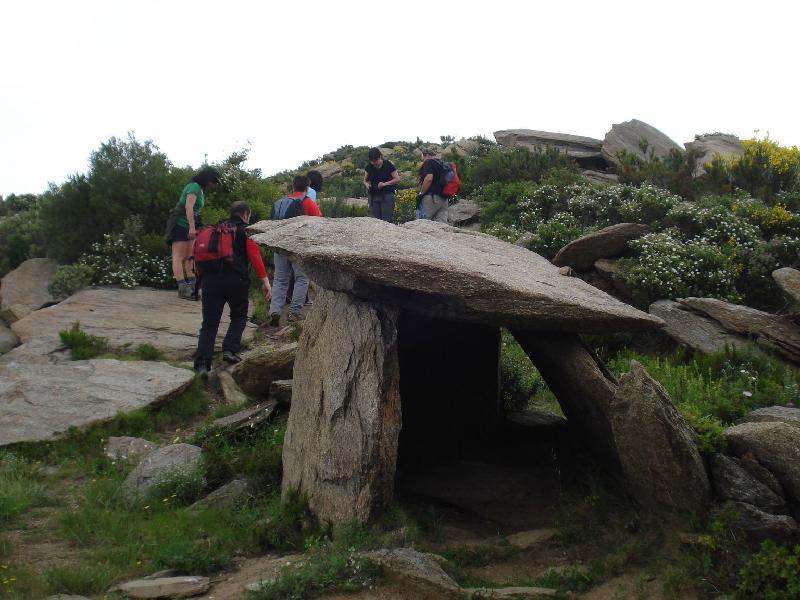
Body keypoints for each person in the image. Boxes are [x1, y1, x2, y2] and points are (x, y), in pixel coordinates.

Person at [194, 201, 272, 379]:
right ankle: (229, 350)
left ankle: (202, 366)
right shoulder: (245, 230)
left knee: (209, 323)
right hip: (235, 280)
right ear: (245, 214)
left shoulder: (217, 229)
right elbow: (254, 255)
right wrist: (265, 281)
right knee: (238, 316)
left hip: (209, 280)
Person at [268, 175, 322, 326]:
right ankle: (294, 312)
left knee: (279, 280)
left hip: (279, 245)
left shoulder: (279, 202)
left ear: (293, 186)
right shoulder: (308, 203)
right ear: (307, 188)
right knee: (301, 278)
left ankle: (275, 310)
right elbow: (319, 223)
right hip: (298, 246)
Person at [166, 166, 221, 299]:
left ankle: (192, 285)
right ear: (207, 179)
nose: (213, 185)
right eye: (213, 181)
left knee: (190, 256)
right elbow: (188, 207)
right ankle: (182, 288)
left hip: (191, 225)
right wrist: (191, 227)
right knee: (178, 256)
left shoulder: (200, 190)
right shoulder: (194, 187)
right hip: (180, 224)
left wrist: (194, 227)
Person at [363, 147, 400, 222]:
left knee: (387, 221)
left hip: (387, 195)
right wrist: (367, 185)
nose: (374, 163)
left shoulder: (388, 165)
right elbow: (365, 180)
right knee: (376, 221)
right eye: (372, 161)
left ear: (380, 157)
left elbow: (397, 179)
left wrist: (385, 184)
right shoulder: (369, 167)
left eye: (375, 160)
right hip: (373, 196)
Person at [417, 148, 448, 223]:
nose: (422, 158)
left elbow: (429, 178)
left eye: (422, 156)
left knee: (422, 222)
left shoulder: (429, 162)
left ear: (426, 155)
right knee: (441, 225)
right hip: (444, 198)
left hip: (431, 198)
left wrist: (421, 193)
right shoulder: (442, 164)